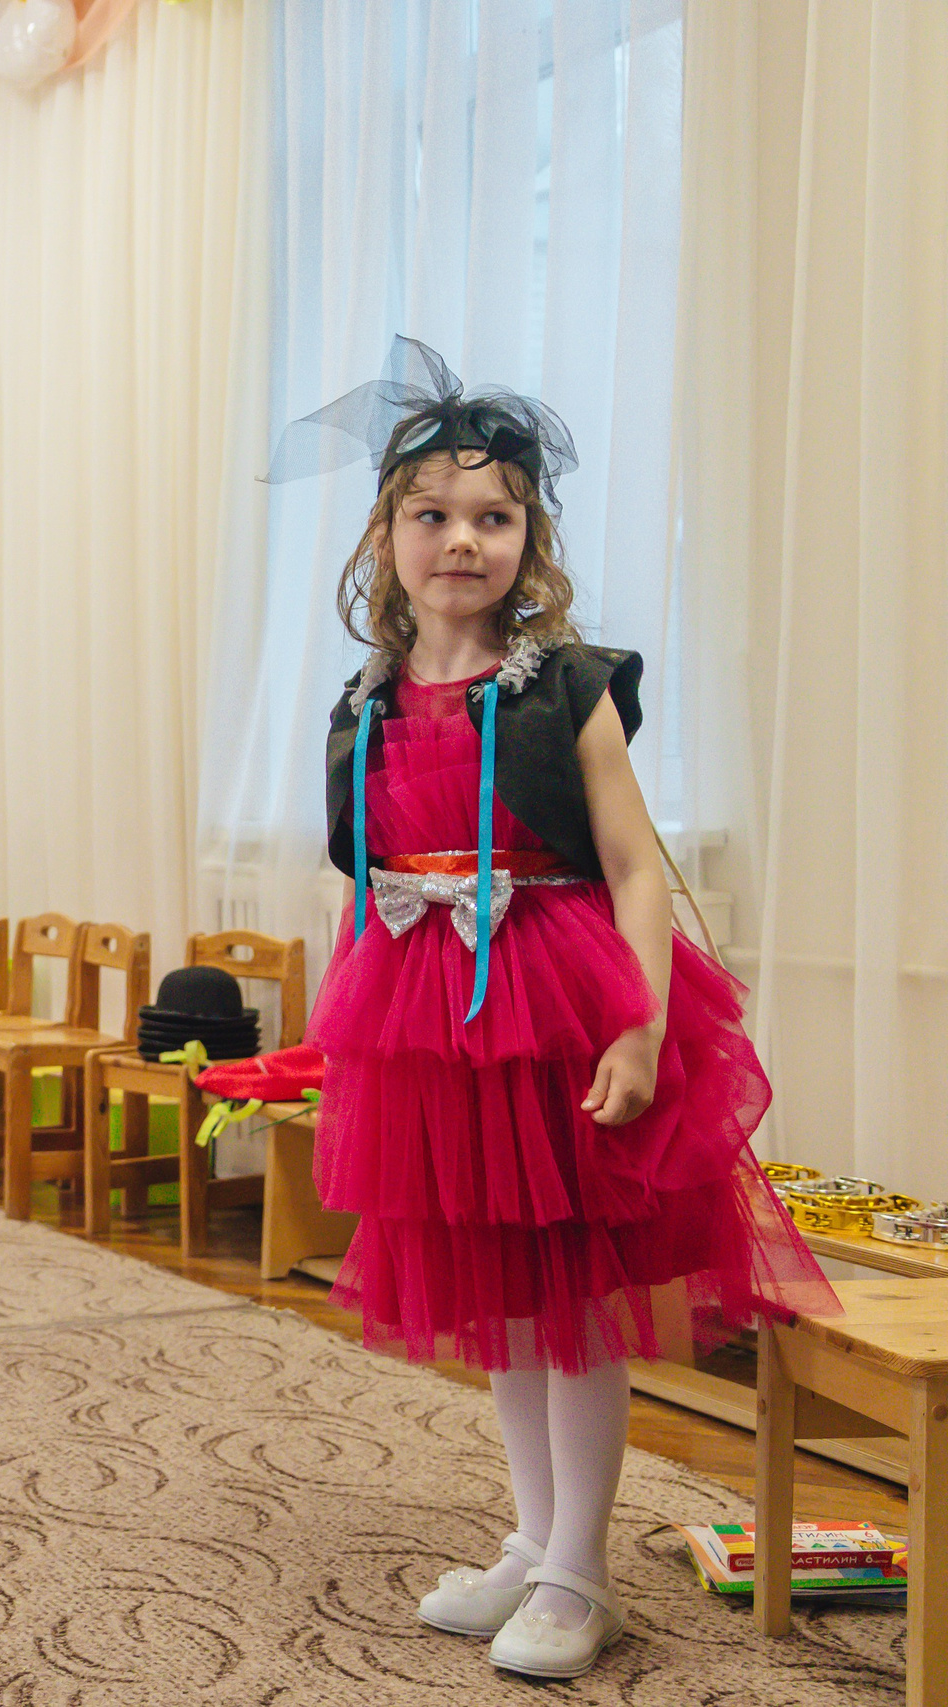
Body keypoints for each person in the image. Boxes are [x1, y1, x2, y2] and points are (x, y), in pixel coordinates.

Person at [280, 341, 833, 1680]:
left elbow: (639, 866)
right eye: (432, 513)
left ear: (530, 540)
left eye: (495, 515)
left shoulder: (566, 687)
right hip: (434, 1023)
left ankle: (583, 1568)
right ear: (386, 535)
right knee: (503, 1299)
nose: (462, 538)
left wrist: (639, 1025)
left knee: (575, 1296)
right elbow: (368, 881)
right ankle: (533, 1539)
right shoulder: (363, 703)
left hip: (560, 1004)